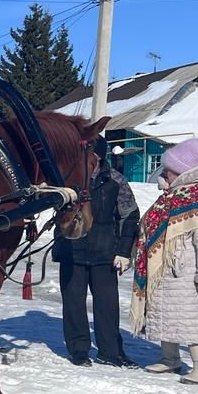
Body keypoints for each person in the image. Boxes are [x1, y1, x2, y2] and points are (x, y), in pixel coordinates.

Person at [130, 137, 198, 385]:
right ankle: (169, 358)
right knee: (168, 315)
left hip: (190, 275)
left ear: (185, 172)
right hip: (167, 272)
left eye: (169, 171)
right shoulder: (172, 196)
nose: (164, 175)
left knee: (192, 319)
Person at [52, 138, 140, 368]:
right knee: (73, 303)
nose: (90, 162)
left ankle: (111, 352)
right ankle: (78, 349)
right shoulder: (67, 179)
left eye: (95, 157)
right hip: (72, 250)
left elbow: (129, 215)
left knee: (107, 305)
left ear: (101, 157)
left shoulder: (115, 180)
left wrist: (123, 251)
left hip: (105, 252)